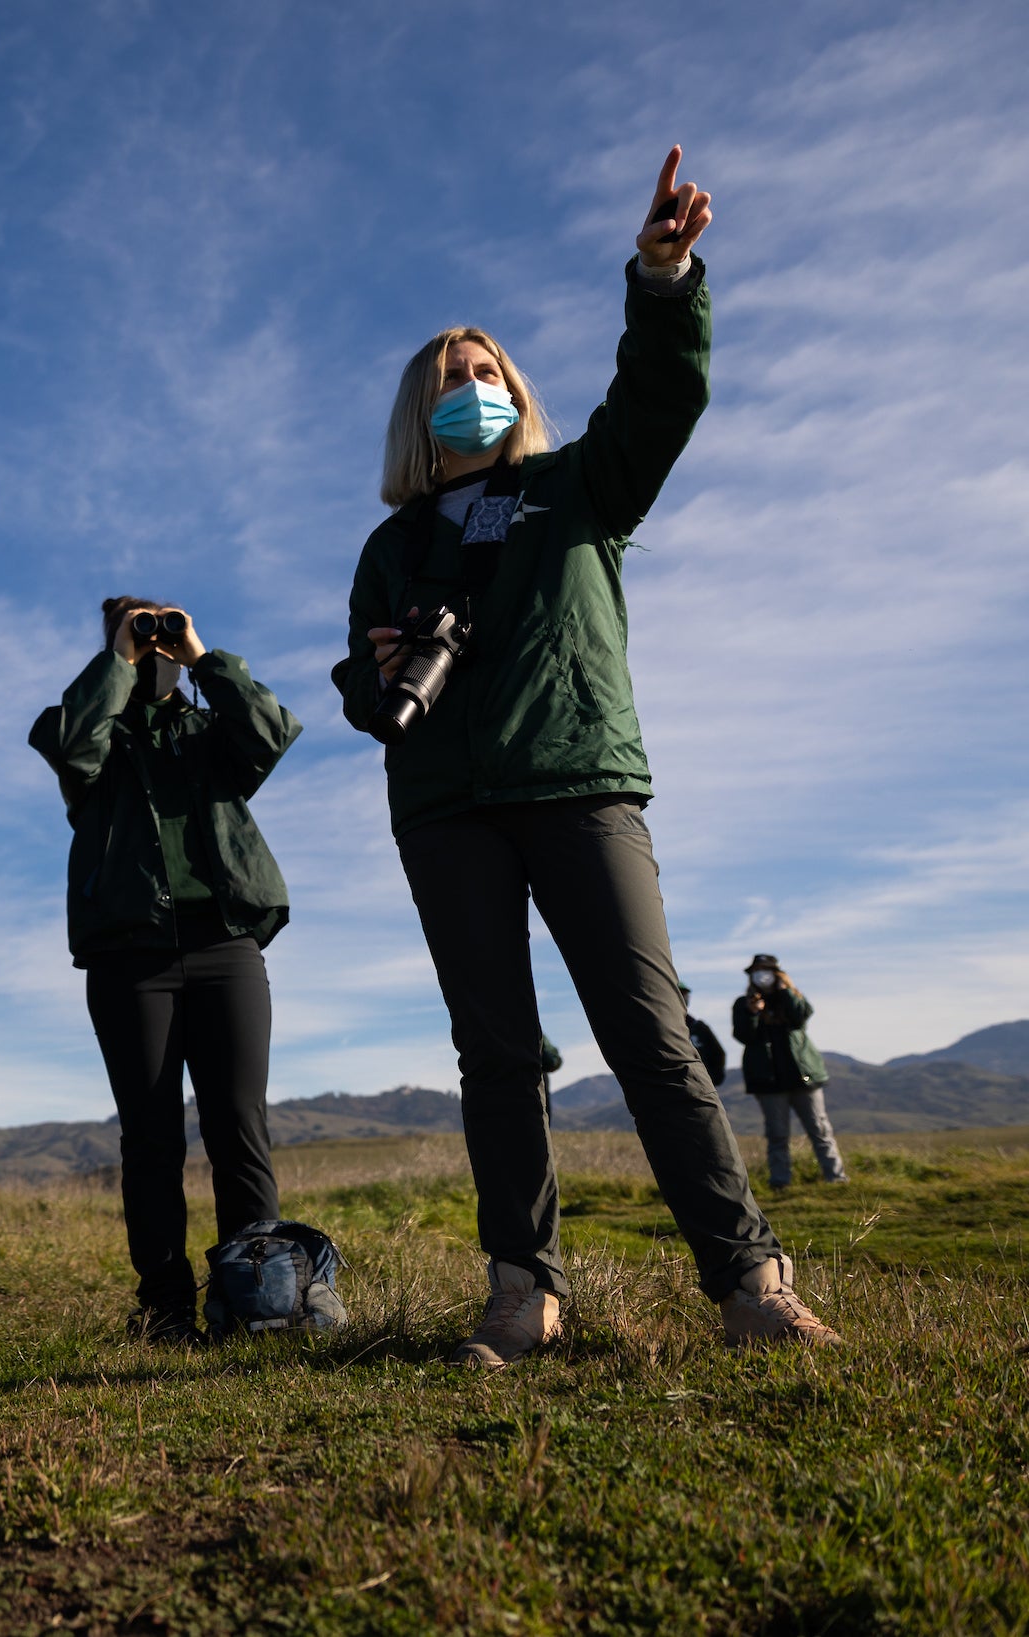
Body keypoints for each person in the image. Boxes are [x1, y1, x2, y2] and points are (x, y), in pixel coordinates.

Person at [331, 149, 836, 1365]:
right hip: (446, 805)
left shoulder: (580, 489)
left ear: (515, 387)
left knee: (652, 1036)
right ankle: (523, 1291)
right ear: (421, 409)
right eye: (452, 378)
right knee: (496, 1052)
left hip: (578, 780)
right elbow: (362, 686)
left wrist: (664, 281)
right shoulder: (391, 547)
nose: (473, 387)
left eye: (488, 371)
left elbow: (660, 403)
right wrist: (377, 664)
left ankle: (750, 1277)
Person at [30, 597, 301, 1343]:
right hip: (129, 956)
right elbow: (73, 744)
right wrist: (116, 660)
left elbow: (271, 732)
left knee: (240, 1127)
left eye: (159, 631)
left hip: (227, 948)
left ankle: (256, 1299)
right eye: (137, 632)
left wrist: (203, 656)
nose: (152, 644)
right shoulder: (87, 732)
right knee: (150, 1137)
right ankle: (166, 1306)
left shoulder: (209, 732)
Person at [732, 955, 846, 1188]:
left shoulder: (792, 998)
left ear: (777, 973)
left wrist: (785, 991)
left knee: (819, 1129)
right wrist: (753, 1013)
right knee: (777, 1134)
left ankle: (836, 1179)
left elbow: (801, 1016)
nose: (761, 975)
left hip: (803, 1077)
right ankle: (780, 1183)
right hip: (769, 1081)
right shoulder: (744, 1003)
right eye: (757, 971)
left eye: (766, 970)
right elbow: (744, 1036)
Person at [681, 982, 728, 1089]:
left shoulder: (699, 1027)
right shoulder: (658, 1027)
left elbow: (718, 1053)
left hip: (701, 1085)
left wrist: (712, 1079)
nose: (682, 998)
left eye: (684, 994)